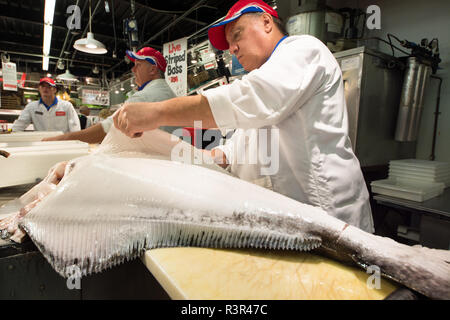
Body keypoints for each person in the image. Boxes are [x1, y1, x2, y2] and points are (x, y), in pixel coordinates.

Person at [112, 0, 374, 233]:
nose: (233, 49)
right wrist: (173, 155)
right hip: (289, 222)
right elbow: (235, 150)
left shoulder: (303, 50)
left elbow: (250, 98)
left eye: (237, 35)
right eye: (229, 45)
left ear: (267, 22)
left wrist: (157, 113)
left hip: (330, 215)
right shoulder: (261, 77)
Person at [43, 47, 176, 143]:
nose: (133, 69)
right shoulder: (170, 93)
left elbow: (105, 130)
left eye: (138, 65)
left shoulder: (143, 98)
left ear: (153, 69)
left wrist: (61, 140)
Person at [12, 77, 80, 133]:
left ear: (54, 90)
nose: (45, 89)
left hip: (61, 144)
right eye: (42, 86)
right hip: (42, 144)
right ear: (39, 89)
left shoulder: (66, 106)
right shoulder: (31, 107)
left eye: (49, 86)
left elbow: (75, 128)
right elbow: (19, 125)